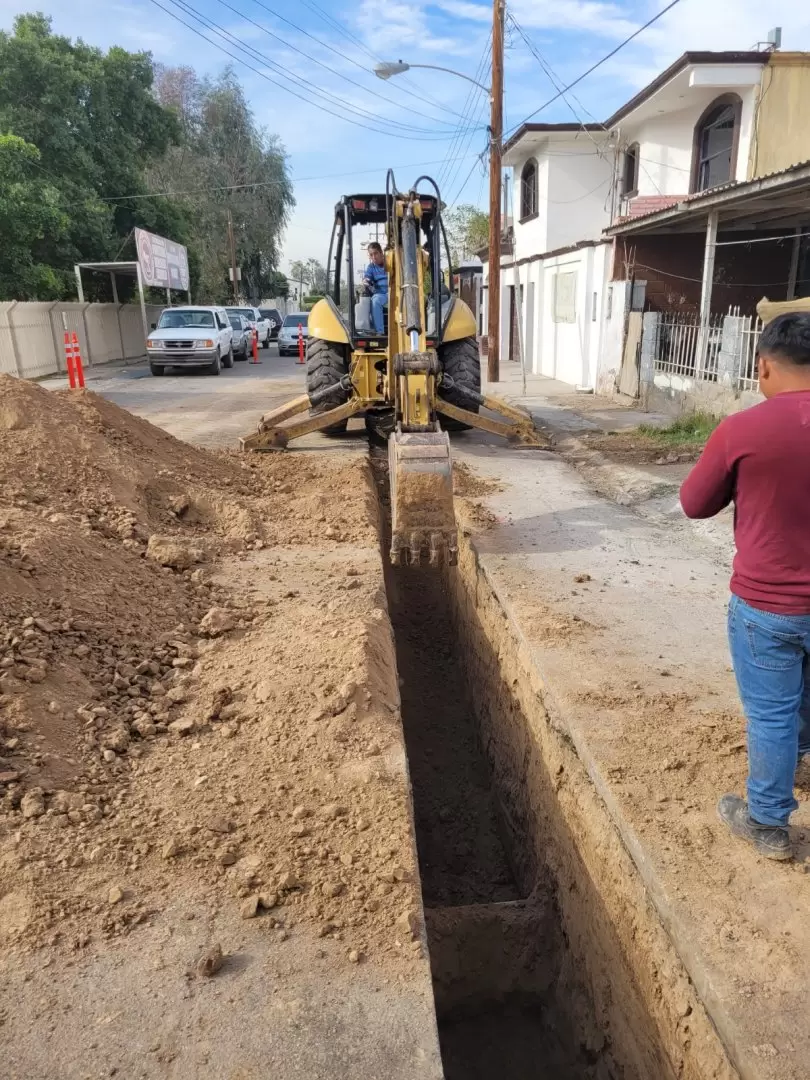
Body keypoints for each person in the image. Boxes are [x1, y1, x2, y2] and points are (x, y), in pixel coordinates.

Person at [680, 312, 810, 861]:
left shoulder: (743, 430)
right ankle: (800, 759)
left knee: (772, 714)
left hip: (767, 605)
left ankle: (767, 824)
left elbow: (693, 503)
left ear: (763, 366)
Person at [363, 242, 388, 334]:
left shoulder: (390, 262)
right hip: (382, 295)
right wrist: (366, 281)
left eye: (376, 253)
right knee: (375, 300)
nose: (374, 257)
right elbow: (367, 277)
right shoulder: (371, 267)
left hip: (394, 292)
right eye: (371, 255)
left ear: (381, 253)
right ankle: (380, 332)